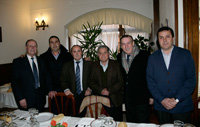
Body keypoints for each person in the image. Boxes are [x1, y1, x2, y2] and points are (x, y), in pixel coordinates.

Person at [146, 26, 196, 124]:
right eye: (161, 37)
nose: (164, 40)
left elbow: (191, 80)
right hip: (161, 107)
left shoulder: (185, 54)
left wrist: (176, 99)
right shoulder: (152, 58)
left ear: (173, 38)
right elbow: (150, 81)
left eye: (167, 37)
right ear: (158, 40)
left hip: (181, 105)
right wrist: (161, 99)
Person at [117, 35, 152, 123]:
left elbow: (151, 76)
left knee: (143, 123)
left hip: (142, 98)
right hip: (128, 98)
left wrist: (151, 96)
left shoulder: (145, 55)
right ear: (121, 46)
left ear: (133, 43)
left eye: (128, 43)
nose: (126, 46)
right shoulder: (119, 57)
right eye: (123, 44)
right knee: (131, 122)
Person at [11, 39, 53, 112]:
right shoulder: (18, 62)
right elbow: (15, 83)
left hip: (40, 99)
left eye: (35, 46)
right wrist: (20, 98)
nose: (33, 48)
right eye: (30, 46)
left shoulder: (42, 61)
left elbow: (47, 77)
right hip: (26, 99)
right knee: (27, 121)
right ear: (26, 47)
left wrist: (50, 89)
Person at [89, 45, 124, 121]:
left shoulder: (116, 64)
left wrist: (109, 91)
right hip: (100, 98)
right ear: (98, 55)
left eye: (105, 53)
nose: (103, 55)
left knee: (117, 121)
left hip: (114, 97)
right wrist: (101, 90)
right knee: (101, 121)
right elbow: (91, 82)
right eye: (100, 53)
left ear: (108, 54)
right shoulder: (94, 65)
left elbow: (120, 81)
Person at [60, 45, 92, 116]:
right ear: (71, 53)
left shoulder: (89, 64)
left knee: (85, 116)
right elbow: (63, 80)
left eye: (78, 51)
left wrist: (90, 89)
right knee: (73, 116)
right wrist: (66, 89)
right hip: (72, 95)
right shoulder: (66, 65)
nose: (77, 53)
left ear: (82, 52)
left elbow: (93, 79)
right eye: (74, 51)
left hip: (86, 95)